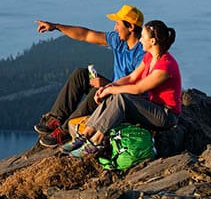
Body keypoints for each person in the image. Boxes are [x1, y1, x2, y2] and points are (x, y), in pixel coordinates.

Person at [62, 19, 182, 158]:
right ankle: (86, 134)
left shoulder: (165, 67)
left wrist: (111, 90)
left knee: (122, 98)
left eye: (143, 37)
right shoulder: (150, 56)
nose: (141, 40)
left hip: (166, 115)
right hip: (152, 106)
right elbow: (132, 77)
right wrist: (108, 87)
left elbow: (137, 88)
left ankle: (96, 141)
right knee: (115, 95)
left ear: (153, 41)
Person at [33, 4, 146, 148]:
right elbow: (86, 34)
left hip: (124, 99)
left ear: (130, 27)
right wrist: (55, 26)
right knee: (81, 74)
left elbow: (137, 88)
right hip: (113, 86)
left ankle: (65, 131)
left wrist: (107, 84)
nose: (115, 28)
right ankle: (55, 119)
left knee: (97, 93)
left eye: (118, 24)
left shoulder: (142, 54)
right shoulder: (119, 41)